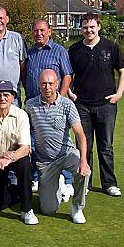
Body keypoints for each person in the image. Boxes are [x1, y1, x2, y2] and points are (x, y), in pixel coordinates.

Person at [69, 13, 124, 197]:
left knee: (106, 146)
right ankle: (85, 181)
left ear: (99, 27)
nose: (89, 30)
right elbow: (68, 75)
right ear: (81, 29)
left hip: (106, 105)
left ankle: (109, 183)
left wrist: (118, 94)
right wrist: (71, 93)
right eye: (85, 27)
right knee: (84, 146)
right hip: (82, 106)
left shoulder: (111, 47)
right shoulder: (74, 50)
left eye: (92, 27)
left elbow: (123, 72)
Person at [25, 70, 90, 223]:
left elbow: (80, 134)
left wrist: (83, 161)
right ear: (39, 85)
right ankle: (58, 185)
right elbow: (24, 129)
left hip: (67, 154)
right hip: (46, 161)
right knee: (48, 210)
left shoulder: (67, 104)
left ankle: (77, 207)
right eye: (44, 84)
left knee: (84, 171)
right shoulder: (30, 105)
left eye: (51, 83)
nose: (47, 87)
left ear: (57, 84)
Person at [25, 19, 74, 197]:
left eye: (42, 30)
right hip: (33, 105)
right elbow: (25, 76)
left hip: (54, 104)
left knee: (59, 141)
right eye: (36, 30)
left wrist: (58, 99)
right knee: (35, 141)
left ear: (49, 31)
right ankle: (37, 177)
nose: (39, 33)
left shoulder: (59, 50)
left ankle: (67, 179)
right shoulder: (29, 53)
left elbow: (67, 76)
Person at [0, 80, 38, 225]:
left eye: (6, 94)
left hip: (16, 158)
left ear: (13, 97)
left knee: (25, 166)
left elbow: (25, 148)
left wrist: (7, 159)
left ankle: (27, 209)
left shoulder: (21, 115)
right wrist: (0, 158)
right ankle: (16, 190)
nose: (2, 98)